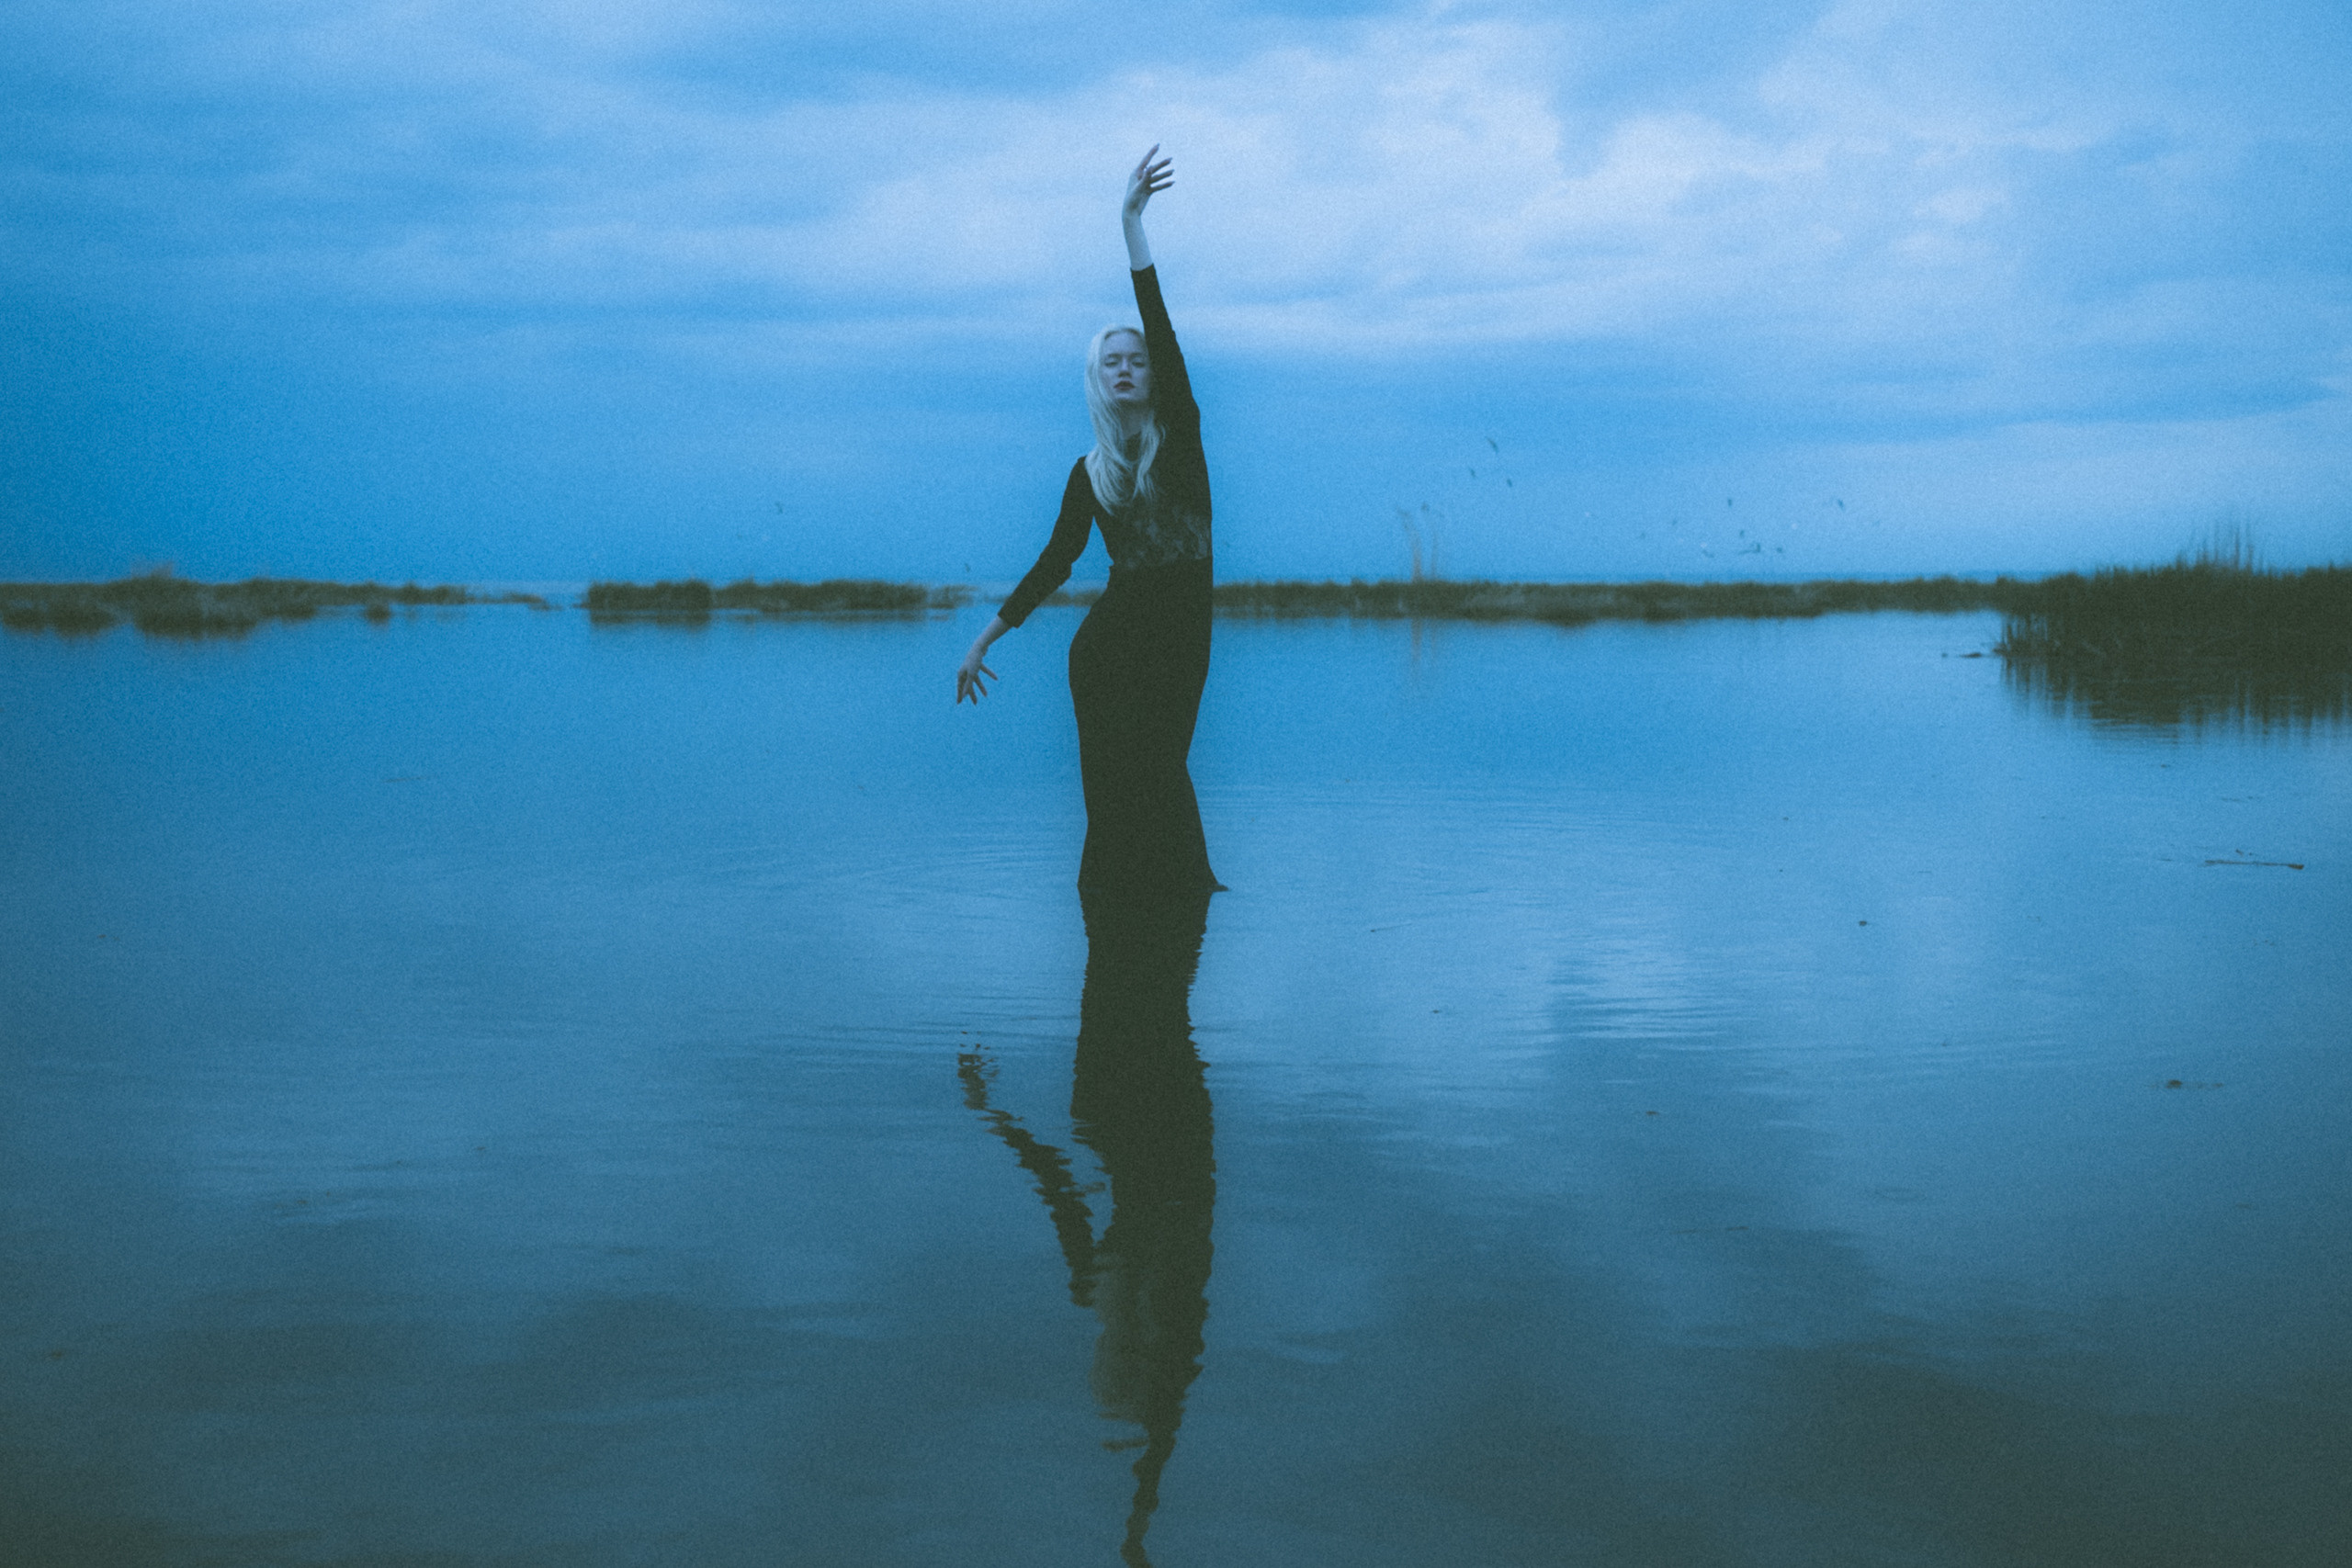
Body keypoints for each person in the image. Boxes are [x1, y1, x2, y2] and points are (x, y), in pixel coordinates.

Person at [956, 146, 1222, 897]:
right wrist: (983, 640)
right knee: (1112, 802)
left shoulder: (1183, 442)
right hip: (1106, 653)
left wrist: (1129, 223)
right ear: (1099, 380)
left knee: (1164, 770)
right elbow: (1057, 561)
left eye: (1138, 359)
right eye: (1115, 362)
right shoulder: (1090, 473)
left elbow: (1160, 327)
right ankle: (1112, 920)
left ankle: (1179, 913)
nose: (1130, 367)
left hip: (1179, 640)